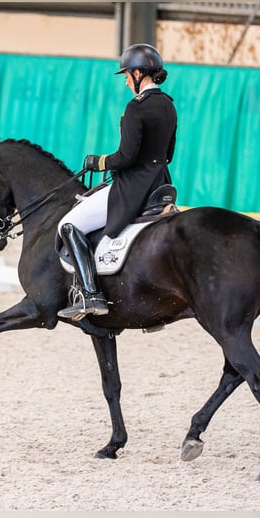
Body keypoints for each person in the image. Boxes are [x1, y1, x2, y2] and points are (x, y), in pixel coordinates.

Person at [57, 43, 178, 320]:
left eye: (126, 76)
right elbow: (168, 153)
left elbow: (125, 158)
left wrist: (97, 162)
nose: (125, 82)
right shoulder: (168, 105)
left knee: (69, 224)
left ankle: (91, 295)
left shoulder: (136, 108)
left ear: (138, 74)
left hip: (133, 187)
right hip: (160, 184)